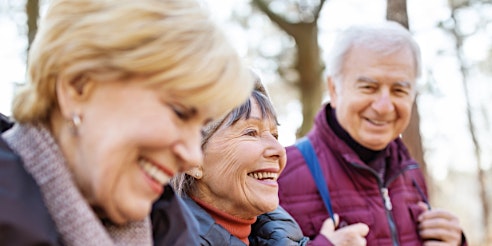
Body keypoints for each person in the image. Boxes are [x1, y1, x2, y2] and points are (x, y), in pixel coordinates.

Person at [0, 0, 253, 245]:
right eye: (179, 112)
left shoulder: (169, 229)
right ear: (77, 86)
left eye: (200, 130)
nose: (193, 157)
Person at [278, 21, 466, 246]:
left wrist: (455, 241)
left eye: (399, 90)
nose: (384, 106)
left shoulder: (411, 174)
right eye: (368, 87)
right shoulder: (280, 175)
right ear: (334, 89)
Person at [171, 75, 334, 245]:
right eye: (251, 133)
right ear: (191, 158)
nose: (279, 150)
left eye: (275, 135)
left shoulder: (286, 236)